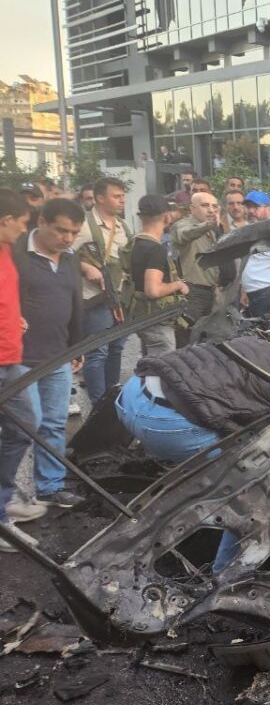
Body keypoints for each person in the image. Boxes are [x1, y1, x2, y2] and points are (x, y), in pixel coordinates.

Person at [114, 337, 270, 571]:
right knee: (256, 490)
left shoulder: (269, 351)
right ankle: (226, 574)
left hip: (130, 396)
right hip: (165, 424)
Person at [11, 197, 87, 511]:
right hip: (20, 359)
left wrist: (77, 344)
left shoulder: (70, 258)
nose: (68, 238)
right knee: (23, 427)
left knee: (54, 424)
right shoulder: (15, 253)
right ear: (42, 222)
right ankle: (10, 495)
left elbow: (75, 302)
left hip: (59, 355)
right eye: (61, 230)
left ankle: (50, 487)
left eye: (74, 232)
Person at [0, 188, 44, 551]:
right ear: (6, 221)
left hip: (10, 360)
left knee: (23, 427)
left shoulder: (6, 251)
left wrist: (15, 318)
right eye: (22, 223)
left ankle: (2, 499)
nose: (23, 230)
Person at [74, 177, 129, 404]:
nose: (122, 200)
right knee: (98, 352)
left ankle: (111, 402)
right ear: (99, 198)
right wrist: (85, 267)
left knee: (116, 349)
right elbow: (64, 254)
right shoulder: (84, 225)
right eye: (116, 196)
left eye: (122, 196)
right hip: (95, 298)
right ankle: (98, 405)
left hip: (120, 298)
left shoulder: (122, 225)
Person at [122, 194, 188, 358]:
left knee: (149, 365)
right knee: (163, 366)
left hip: (141, 316)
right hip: (158, 320)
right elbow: (153, 290)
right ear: (166, 217)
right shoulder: (155, 249)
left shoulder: (134, 243)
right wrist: (178, 285)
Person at [170, 187, 222, 345]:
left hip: (210, 292)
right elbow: (185, 234)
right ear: (192, 208)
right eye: (205, 205)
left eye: (214, 206)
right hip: (191, 292)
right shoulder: (183, 225)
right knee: (187, 340)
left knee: (205, 341)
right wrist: (207, 225)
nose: (211, 210)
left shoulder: (212, 229)